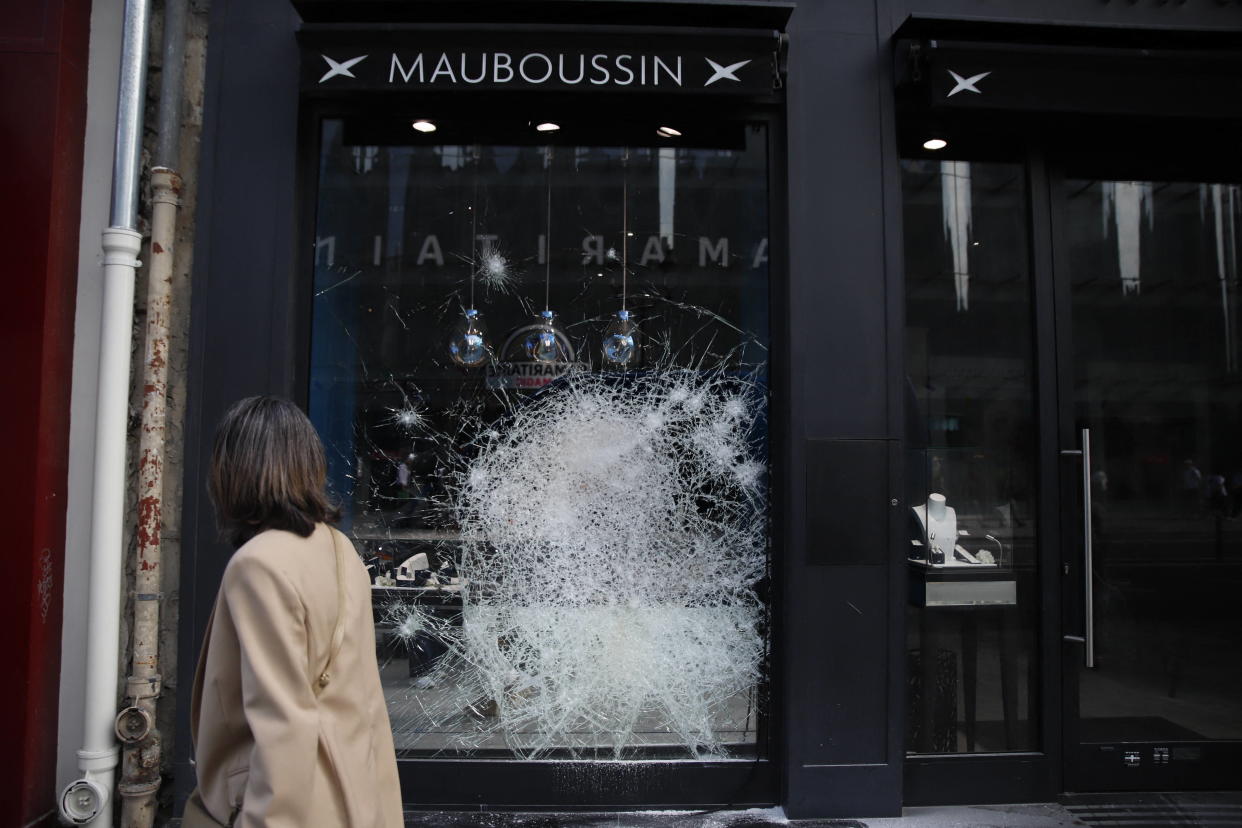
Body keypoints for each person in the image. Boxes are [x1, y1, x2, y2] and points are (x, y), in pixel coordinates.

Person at [191, 396, 402, 827]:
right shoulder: (341, 551)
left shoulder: (258, 565)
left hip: (295, 809)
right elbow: (368, 706)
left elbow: (282, 723)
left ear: (233, 470)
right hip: (356, 801)